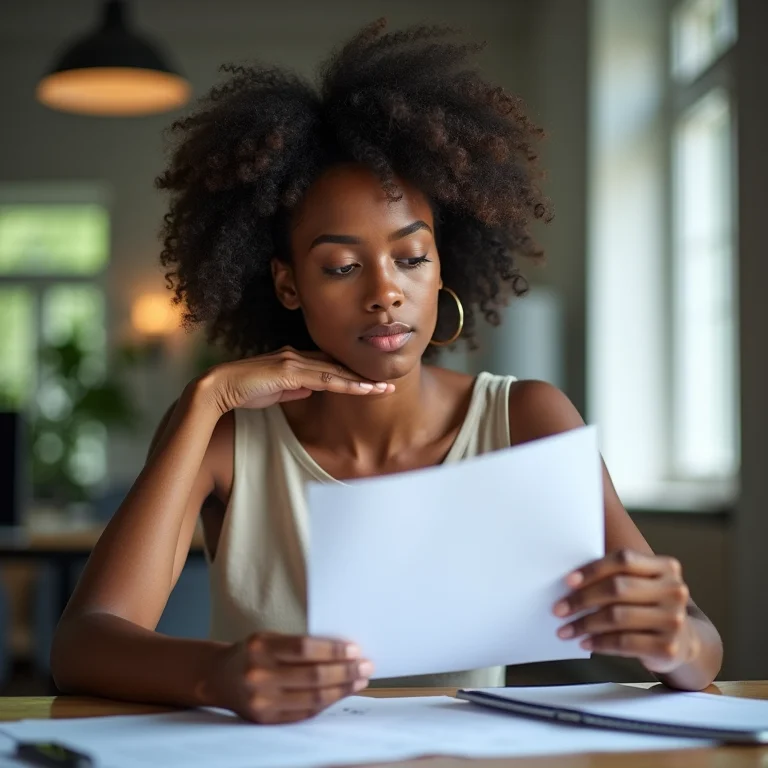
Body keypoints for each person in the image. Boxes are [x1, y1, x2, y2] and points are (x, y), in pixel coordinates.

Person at [50, 19, 723, 725]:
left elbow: (702, 650)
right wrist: (216, 672)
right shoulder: (228, 436)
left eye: (411, 257)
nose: (384, 291)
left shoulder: (526, 419)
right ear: (287, 286)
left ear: (443, 269)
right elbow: (80, 648)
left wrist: (672, 637)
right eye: (341, 266)